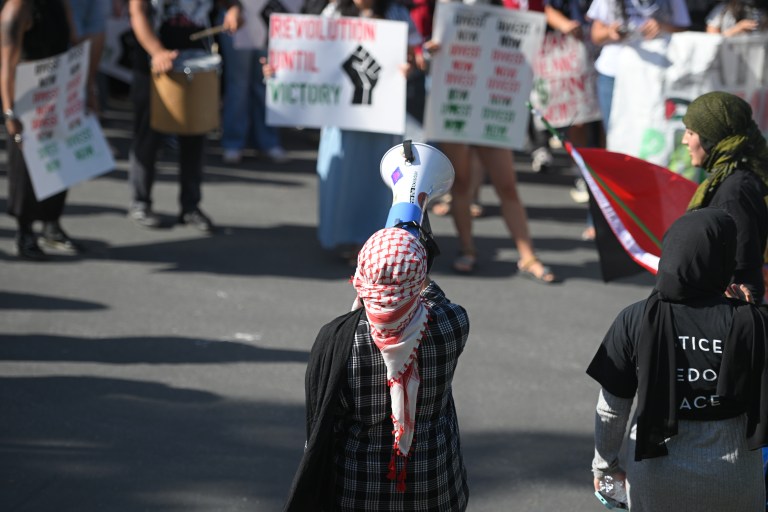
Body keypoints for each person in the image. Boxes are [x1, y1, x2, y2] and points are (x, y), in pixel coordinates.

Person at [586, 207, 768, 511]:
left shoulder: (636, 318)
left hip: (655, 478)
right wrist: (748, 316)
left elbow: (612, 409)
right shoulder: (751, 322)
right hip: (733, 481)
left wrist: (604, 468)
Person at [283, 227, 470, 511]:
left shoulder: (341, 340)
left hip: (359, 488)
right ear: (418, 277)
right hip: (437, 482)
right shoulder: (452, 323)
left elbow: (327, 417)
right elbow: (434, 296)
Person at [264, 0, 422, 263]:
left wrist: (411, 65)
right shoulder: (334, 11)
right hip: (341, 120)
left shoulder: (397, 13)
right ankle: (346, 237)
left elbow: (417, 55)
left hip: (381, 120)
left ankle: (374, 244)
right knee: (343, 180)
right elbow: (308, 54)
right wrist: (280, 69)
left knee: (377, 181)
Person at [425, 0, 556, 282]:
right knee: (461, 184)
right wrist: (431, 50)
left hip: (492, 113)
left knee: (507, 186)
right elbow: (428, 48)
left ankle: (528, 255)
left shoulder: (505, 12)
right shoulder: (450, 10)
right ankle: (467, 249)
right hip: (458, 105)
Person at [126, 0, 242, 232]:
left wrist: (234, 13)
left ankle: (190, 206)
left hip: (197, 62)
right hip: (153, 63)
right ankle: (141, 202)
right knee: (148, 135)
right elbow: (137, 12)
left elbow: (231, 4)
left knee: (196, 134)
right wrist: (157, 51)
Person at [1, 0, 84, 259]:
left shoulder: (60, 4)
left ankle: (52, 224)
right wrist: (10, 113)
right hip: (27, 96)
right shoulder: (17, 8)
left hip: (58, 89)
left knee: (60, 161)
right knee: (25, 167)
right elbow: (6, 65)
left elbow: (73, 40)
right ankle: (25, 232)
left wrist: (85, 87)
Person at [681, 91, 768, 300]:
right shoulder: (729, 180)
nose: (685, 140)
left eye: (691, 133)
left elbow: (745, 277)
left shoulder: (734, 193)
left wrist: (738, 326)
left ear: (712, 138)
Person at [216, 7, 288, 165]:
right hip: (239, 19)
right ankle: (233, 141)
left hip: (270, 17)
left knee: (267, 82)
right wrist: (233, 7)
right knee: (238, 85)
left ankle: (268, 141)